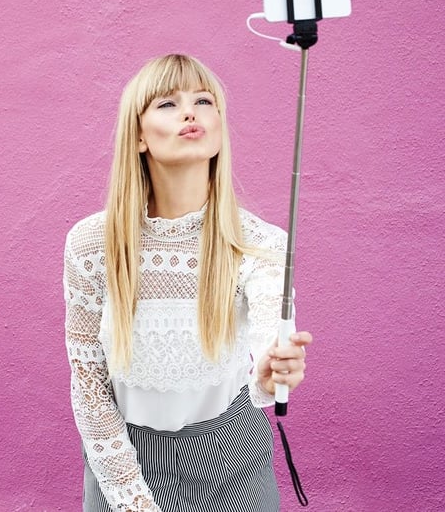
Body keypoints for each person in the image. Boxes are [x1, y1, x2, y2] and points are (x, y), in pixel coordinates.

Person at [63, 54, 313, 512]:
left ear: (219, 129)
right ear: (138, 135)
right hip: (121, 458)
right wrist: (131, 498)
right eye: (167, 103)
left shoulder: (259, 243)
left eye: (203, 100)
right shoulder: (91, 244)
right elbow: (88, 384)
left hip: (231, 461)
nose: (190, 112)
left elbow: (268, 330)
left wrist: (272, 367)